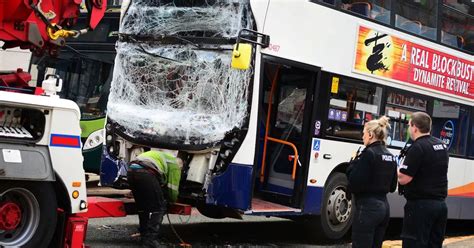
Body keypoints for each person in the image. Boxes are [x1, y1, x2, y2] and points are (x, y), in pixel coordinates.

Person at [398, 112, 449, 248]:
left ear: (414, 127)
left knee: (414, 243)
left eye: (409, 125)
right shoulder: (441, 146)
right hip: (440, 206)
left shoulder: (417, 147)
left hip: (420, 207)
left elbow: (404, 178)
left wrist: (397, 169)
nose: (409, 128)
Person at [346, 116, 397, 248]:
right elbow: (392, 187)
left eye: (363, 133)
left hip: (367, 208)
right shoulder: (390, 156)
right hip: (384, 209)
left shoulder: (369, 154)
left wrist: (352, 164)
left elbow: (355, 182)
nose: (362, 137)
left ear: (370, 134)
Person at [127, 150, 183, 248]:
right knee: (159, 207)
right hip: (145, 173)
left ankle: (144, 236)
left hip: (131, 171)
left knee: (142, 206)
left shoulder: (163, 157)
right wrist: (172, 201)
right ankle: (151, 239)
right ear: (180, 167)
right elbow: (173, 189)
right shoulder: (175, 166)